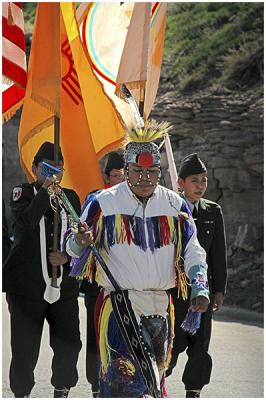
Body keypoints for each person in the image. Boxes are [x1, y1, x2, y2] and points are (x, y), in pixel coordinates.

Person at [66, 121, 210, 398]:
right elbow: (71, 248)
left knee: (153, 382)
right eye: (137, 171)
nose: (145, 178)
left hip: (160, 307)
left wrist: (200, 286)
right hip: (121, 305)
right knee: (123, 383)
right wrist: (80, 241)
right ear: (127, 171)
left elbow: (193, 250)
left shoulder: (174, 205)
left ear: (160, 172)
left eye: (152, 171)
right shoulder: (103, 203)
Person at [3, 142, 82, 398]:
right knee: (24, 349)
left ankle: (62, 389)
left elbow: (77, 236)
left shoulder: (70, 198)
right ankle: (22, 393)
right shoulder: (21, 193)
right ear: (35, 168)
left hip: (63, 286)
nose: (53, 172)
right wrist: (45, 190)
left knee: (69, 344)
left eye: (58, 168)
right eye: (47, 167)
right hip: (27, 287)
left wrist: (67, 257)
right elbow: (25, 221)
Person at [166, 153, 227, 398]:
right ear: (180, 183)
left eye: (203, 180)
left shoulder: (213, 211)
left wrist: (219, 290)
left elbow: (218, 254)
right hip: (175, 290)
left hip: (203, 291)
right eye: (194, 180)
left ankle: (194, 391)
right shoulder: (170, 209)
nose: (200, 186)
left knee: (200, 346)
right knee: (173, 343)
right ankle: (157, 382)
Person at [79, 150, 125, 397]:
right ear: (107, 177)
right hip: (97, 283)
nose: (120, 179)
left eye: (123, 175)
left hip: (126, 282)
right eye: (115, 175)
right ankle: (96, 384)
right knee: (96, 334)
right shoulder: (96, 200)